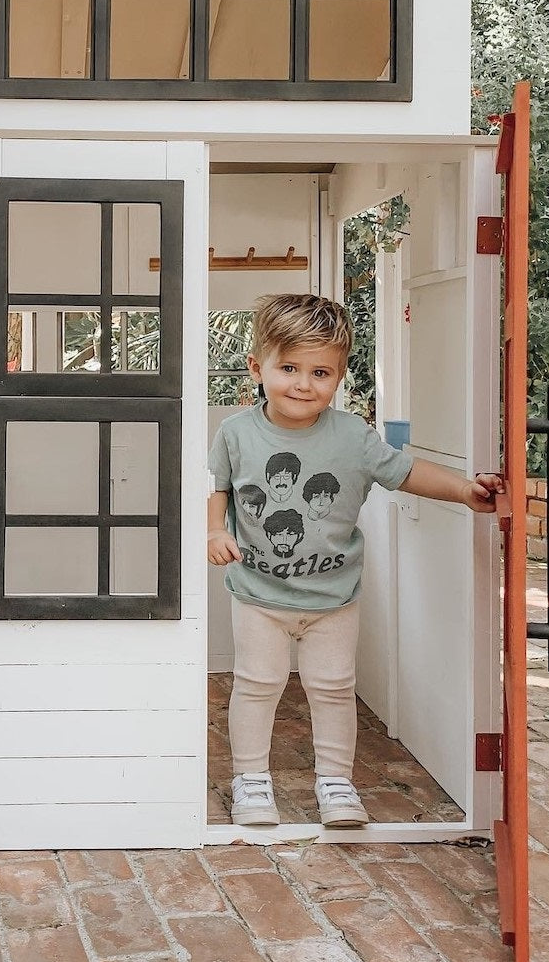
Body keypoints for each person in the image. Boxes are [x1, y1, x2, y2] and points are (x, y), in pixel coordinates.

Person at [207, 293, 502, 828]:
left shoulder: (353, 437)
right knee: (256, 684)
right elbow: (219, 488)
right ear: (257, 367)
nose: (303, 384)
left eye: (320, 372)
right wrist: (213, 531)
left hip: (333, 598)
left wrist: (464, 490)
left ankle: (336, 783)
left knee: (333, 688)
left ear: (339, 376)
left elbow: (406, 473)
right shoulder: (235, 433)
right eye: (289, 368)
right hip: (258, 594)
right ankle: (250, 780)